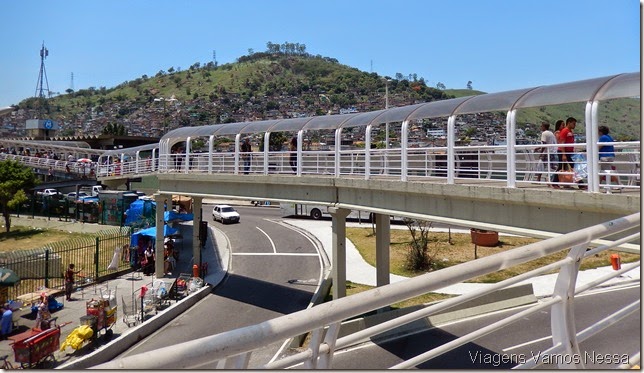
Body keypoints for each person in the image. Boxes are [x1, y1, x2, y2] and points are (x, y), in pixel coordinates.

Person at [557, 117, 578, 188]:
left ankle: (566, 183)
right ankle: (580, 184)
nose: (574, 125)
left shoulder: (570, 131)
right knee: (563, 167)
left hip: (569, 152)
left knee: (570, 167)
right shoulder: (565, 131)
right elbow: (562, 142)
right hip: (564, 152)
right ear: (569, 123)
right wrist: (563, 154)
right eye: (573, 124)